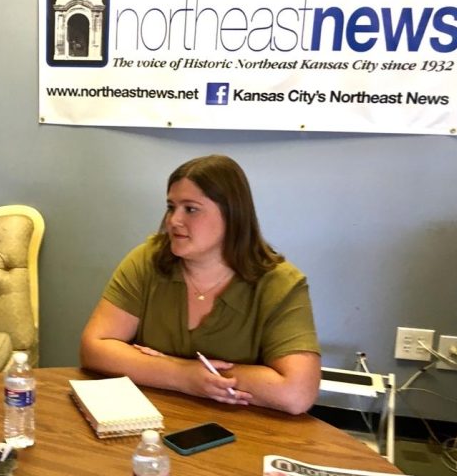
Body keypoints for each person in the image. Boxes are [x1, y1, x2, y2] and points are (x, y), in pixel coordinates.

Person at [79, 155, 320, 414]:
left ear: (232, 214)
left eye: (190, 209)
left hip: (244, 432)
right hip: (146, 423)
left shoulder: (279, 283)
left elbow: (296, 392)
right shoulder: (148, 259)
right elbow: (95, 348)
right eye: (171, 207)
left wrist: (186, 372)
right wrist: (183, 375)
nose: (173, 220)